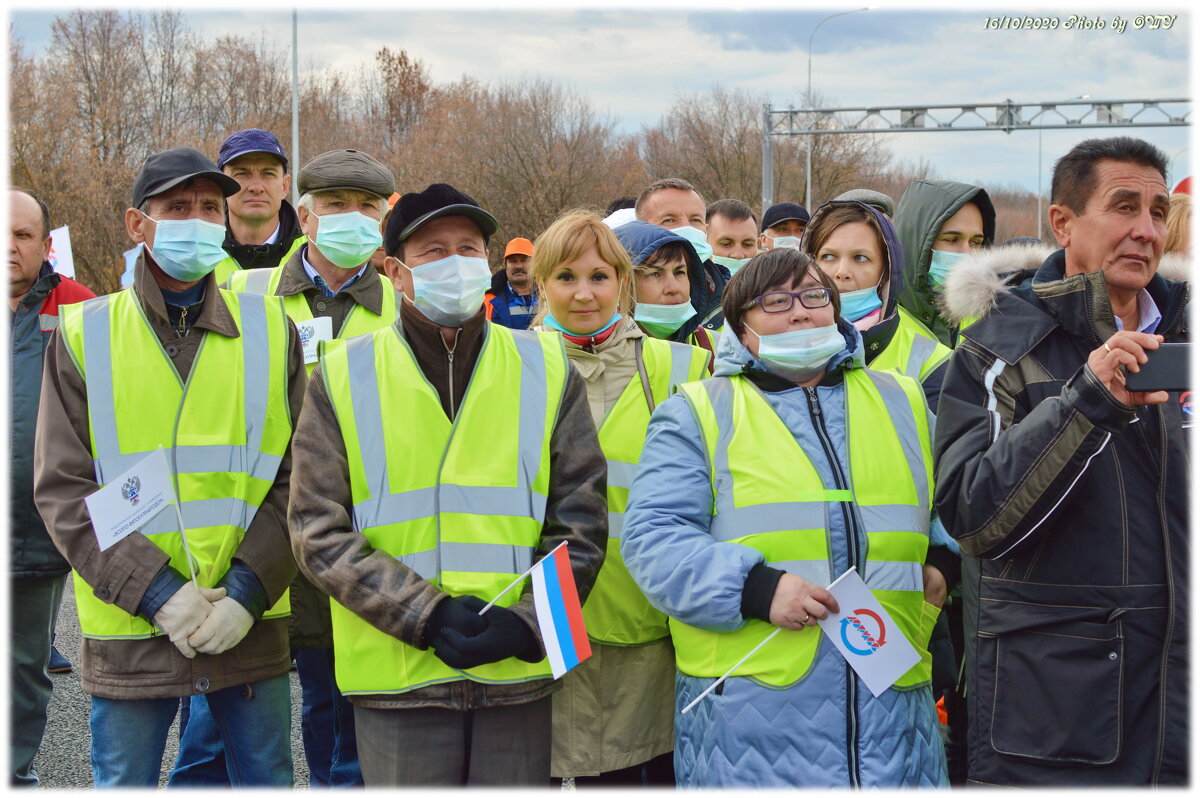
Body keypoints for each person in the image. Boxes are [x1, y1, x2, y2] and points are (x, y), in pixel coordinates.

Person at [287, 182, 608, 786]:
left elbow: (582, 521)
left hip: (518, 672)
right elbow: (314, 527)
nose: (456, 263)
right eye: (434, 252)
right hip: (397, 676)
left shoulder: (546, 365)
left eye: (468, 248)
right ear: (395, 272)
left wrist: (530, 624)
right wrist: (424, 615)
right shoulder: (343, 373)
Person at [620, 248, 949, 788]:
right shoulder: (698, 411)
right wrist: (756, 588)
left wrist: (943, 565)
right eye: (775, 300)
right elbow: (653, 541)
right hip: (750, 718)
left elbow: (954, 505)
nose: (800, 312)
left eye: (814, 296)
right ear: (740, 327)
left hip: (894, 708)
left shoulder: (903, 399)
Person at [32, 147, 305, 787]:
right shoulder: (83, 333)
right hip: (132, 623)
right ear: (137, 224)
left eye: (211, 207)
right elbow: (63, 491)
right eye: (177, 207)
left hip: (249, 620)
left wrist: (246, 591)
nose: (198, 220)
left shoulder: (271, 329)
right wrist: (159, 594)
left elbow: (301, 476)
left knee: (263, 779)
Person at [933, 137, 1188, 786]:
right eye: (1123, 206)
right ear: (1062, 223)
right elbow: (975, 519)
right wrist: (1087, 402)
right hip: (1062, 722)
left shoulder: (1186, 338)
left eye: (1158, 212)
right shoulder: (1002, 345)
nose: (1144, 229)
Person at [182, 148, 397, 788]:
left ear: (384, 220)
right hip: (258, 537)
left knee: (343, 713)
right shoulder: (240, 293)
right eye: (335, 206)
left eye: (367, 207)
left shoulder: (402, 303)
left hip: (359, 535)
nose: (350, 218)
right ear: (303, 215)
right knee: (217, 726)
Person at [527, 209, 710, 786]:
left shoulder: (685, 368)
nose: (585, 294)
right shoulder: (507, 368)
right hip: (546, 616)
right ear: (541, 285)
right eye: (566, 278)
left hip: (647, 619)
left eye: (600, 277)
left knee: (636, 775)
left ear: (622, 286)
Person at [9, 187, 95, 787]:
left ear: (46, 245)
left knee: (20, 670)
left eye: (21, 235)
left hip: (33, 537)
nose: (9, 248)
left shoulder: (79, 309)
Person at [800, 199, 953, 411]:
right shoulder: (780, 346)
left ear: (886, 270)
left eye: (860, 258)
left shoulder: (933, 362)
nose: (841, 272)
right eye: (828, 256)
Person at [893, 180, 995, 346]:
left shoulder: (989, 322)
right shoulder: (878, 329)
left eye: (976, 242)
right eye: (952, 239)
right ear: (916, 243)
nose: (967, 253)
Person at [212, 129, 305, 284]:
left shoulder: (313, 254)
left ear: (284, 186)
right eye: (241, 173)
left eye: (268, 173)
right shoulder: (200, 252)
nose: (256, 187)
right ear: (222, 185)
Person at [634, 178, 728, 328]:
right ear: (642, 229)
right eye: (670, 220)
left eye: (695, 220)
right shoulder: (622, 300)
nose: (686, 228)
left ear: (706, 228)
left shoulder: (732, 300)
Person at [614, 220, 717, 357]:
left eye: (679, 272)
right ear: (623, 284)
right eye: (655, 274)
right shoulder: (602, 358)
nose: (673, 288)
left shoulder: (718, 347)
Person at [485, 237, 538, 329]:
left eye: (524, 260)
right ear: (505, 265)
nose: (518, 266)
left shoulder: (549, 296)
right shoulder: (488, 301)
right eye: (513, 261)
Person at [705, 199, 759, 276]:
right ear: (704, 243)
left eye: (747, 244)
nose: (738, 255)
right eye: (726, 244)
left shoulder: (771, 286)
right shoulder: (686, 286)